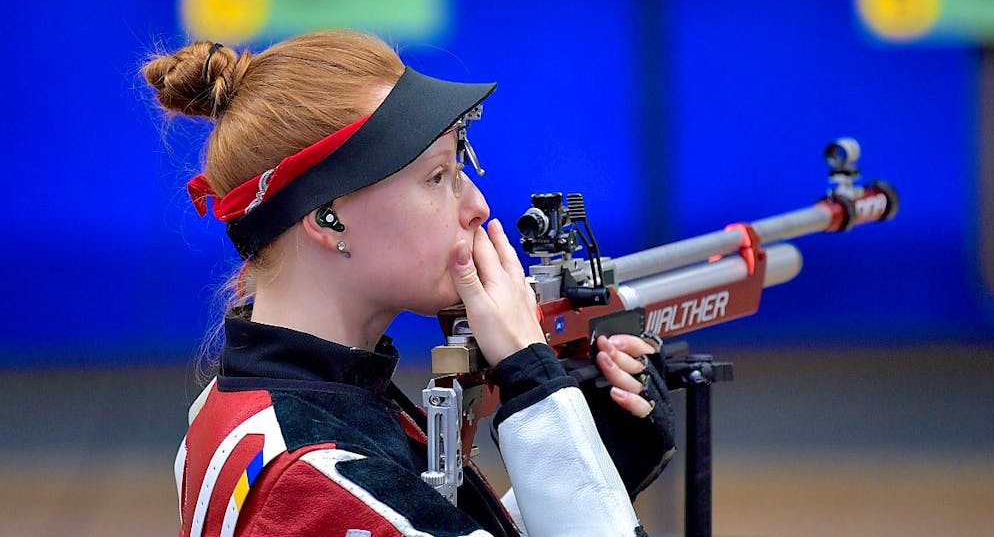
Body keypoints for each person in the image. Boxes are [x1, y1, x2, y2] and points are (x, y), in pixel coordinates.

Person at [144, 30, 674, 537]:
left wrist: (597, 452)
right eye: (437, 177)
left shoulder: (286, 411)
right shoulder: (310, 476)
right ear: (328, 216)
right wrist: (533, 380)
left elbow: (419, 518)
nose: (477, 206)